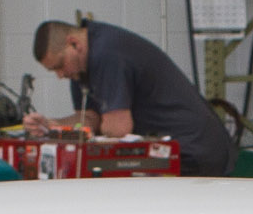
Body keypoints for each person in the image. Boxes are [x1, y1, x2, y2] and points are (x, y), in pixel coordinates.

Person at [30, 18, 238, 178]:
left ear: (74, 43)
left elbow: (119, 127)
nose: (60, 75)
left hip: (193, 149)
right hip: (173, 152)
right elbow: (89, 120)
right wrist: (52, 126)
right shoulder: (79, 66)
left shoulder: (106, 53)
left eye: (59, 66)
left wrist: (90, 129)